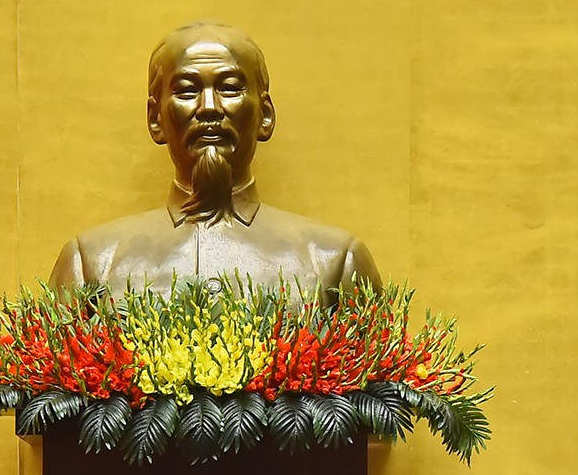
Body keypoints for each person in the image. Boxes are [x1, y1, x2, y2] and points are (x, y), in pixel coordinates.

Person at [50, 22, 382, 300]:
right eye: (186, 90)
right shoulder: (92, 264)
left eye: (230, 87)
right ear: (155, 118)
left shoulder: (334, 262)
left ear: (265, 115)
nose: (209, 107)